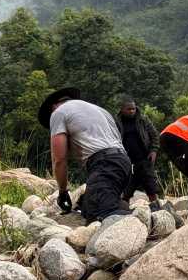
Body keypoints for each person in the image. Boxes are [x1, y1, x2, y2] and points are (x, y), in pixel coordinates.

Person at [38, 88, 132, 223]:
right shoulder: (100, 110)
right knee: (87, 208)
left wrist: (63, 192)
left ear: (53, 107)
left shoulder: (58, 113)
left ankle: (145, 219)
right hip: (123, 162)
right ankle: (118, 206)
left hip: (105, 164)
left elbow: (59, 159)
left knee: (99, 214)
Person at [115, 97, 162, 209]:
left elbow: (155, 135)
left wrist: (154, 150)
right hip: (127, 161)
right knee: (126, 190)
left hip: (144, 159)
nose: (132, 111)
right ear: (122, 109)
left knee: (151, 187)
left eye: (133, 109)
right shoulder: (117, 123)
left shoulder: (143, 120)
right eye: (129, 109)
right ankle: (123, 214)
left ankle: (157, 211)